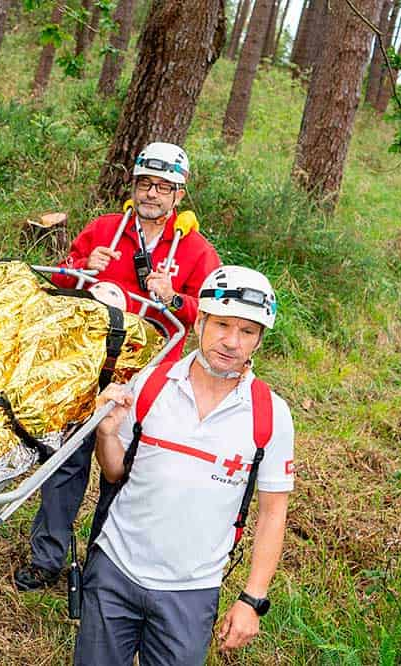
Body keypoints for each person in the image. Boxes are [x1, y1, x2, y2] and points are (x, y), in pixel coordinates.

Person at [14, 142, 221, 591]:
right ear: (134, 186)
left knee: (123, 473)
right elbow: (61, 281)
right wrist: (84, 265)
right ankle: (47, 558)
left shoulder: (197, 251)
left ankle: (103, 572)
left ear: (179, 194)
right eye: (145, 183)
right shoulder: (107, 230)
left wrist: (174, 298)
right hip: (85, 368)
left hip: (145, 380)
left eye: (164, 187)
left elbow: (213, 318)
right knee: (66, 463)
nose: (152, 193)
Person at [75, 265, 294, 665]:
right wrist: (106, 433)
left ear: (260, 340)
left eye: (247, 332)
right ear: (200, 323)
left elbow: (273, 513)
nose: (231, 342)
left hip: (191, 592)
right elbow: (114, 473)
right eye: (222, 325)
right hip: (115, 573)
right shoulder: (151, 384)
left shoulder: (271, 415)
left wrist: (252, 599)